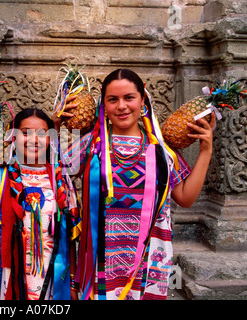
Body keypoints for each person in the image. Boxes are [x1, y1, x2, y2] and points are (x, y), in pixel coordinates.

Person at [56, 68, 215, 300]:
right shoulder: (91, 146)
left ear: (143, 100)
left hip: (148, 263)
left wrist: (206, 150)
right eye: (113, 99)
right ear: (104, 104)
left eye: (129, 97)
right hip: (101, 262)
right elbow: (51, 172)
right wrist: (55, 125)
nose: (121, 106)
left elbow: (185, 198)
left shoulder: (161, 149)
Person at [0, 108, 80, 300]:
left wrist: (71, 282)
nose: (34, 140)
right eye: (26, 133)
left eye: (42, 134)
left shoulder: (60, 180)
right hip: (4, 275)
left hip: (51, 277)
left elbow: (70, 235)